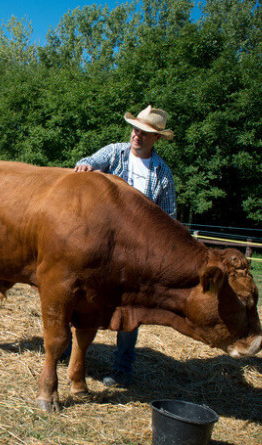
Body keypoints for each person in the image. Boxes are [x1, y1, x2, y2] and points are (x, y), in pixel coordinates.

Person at [73, 105, 177, 388]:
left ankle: (122, 369)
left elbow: (169, 219)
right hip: (102, 243)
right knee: (81, 294)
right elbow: (90, 160)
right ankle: (69, 353)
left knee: (130, 309)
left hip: (136, 252)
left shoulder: (163, 174)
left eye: (145, 133)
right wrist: (86, 166)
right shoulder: (116, 152)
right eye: (135, 130)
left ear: (156, 138)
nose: (137, 136)